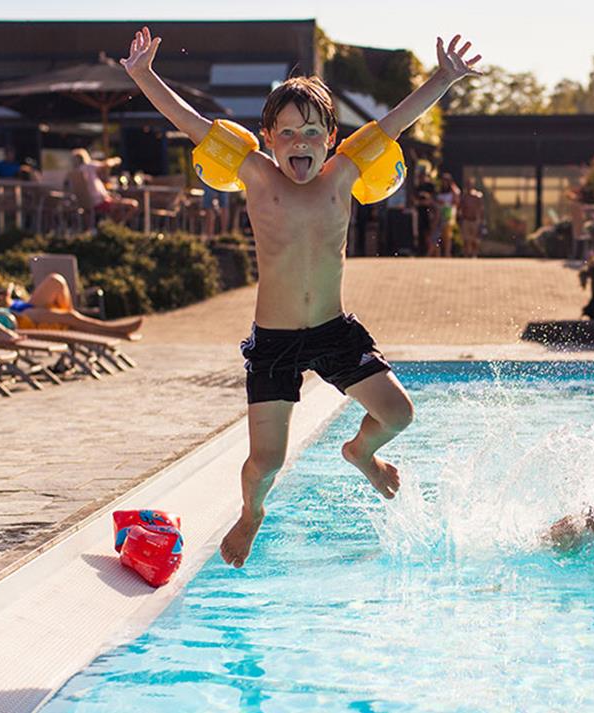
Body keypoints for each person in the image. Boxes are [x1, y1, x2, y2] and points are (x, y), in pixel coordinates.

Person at [122, 26, 482, 568]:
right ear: (267, 137)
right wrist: (145, 75)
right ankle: (251, 514)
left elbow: (396, 120)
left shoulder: (343, 175)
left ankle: (361, 451)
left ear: (332, 138)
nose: (300, 144)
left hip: (335, 330)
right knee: (266, 462)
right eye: (287, 133)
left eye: (312, 133)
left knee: (399, 414)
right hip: (275, 342)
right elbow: (190, 124)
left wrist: (446, 77)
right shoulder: (255, 175)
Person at [0, 260, 144, 339]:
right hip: (16, 317)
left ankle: (76, 329)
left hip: (19, 307)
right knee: (68, 316)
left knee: (56, 281)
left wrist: (4, 299)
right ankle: (113, 331)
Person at [69, 148, 139, 225]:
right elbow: (106, 164)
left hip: (88, 205)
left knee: (115, 204)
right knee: (133, 204)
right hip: (100, 203)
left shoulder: (75, 173)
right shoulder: (89, 166)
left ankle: (111, 226)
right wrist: (116, 160)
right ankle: (117, 226)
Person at [433, 173, 460, 257]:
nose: (444, 182)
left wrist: (452, 186)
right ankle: (439, 254)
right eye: (443, 180)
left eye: (446, 180)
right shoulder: (440, 191)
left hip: (448, 216)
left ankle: (447, 254)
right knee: (438, 236)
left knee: (447, 237)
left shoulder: (452, 191)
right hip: (438, 216)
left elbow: (456, 201)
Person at [458, 183, 485, 258]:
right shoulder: (464, 197)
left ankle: (474, 254)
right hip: (466, 219)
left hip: (475, 220)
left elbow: (481, 208)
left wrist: (481, 220)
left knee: (475, 239)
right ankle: (466, 254)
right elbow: (460, 208)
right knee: (466, 239)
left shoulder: (478, 196)